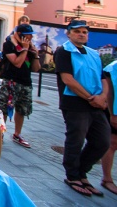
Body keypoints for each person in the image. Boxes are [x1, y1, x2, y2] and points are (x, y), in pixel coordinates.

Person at [54, 19, 110, 197]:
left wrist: (102, 98)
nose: (81, 34)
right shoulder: (64, 51)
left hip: (96, 103)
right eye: (77, 31)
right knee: (75, 140)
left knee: (102, 141)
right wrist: (89, 98)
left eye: (84, 32)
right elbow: (67, 79)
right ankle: (73, 176)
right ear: (69, 33)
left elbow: (103, 78)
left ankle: (82, 172)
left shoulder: (94, 53)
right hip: (75, 103)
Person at [0, 23, 40, 148]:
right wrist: (24, 49)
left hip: (26, 83)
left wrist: (35, 54)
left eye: (31, 35)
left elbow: (36, 69)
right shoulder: (9, 45)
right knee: (4, 107)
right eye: (28, 35)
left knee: (22, 109)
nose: (30, 38)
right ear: (20, 35)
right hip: (11, 81)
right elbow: (17, 63)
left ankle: (17, 134)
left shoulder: (30, 48)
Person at [101, 60, 117, 195]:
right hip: (115, 111)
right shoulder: (112, 68)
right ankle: (107, 179)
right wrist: (113, 114)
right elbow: (111, 92)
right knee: (112, 143)